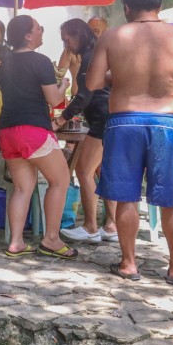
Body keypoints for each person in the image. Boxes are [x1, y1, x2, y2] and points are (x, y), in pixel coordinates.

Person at [85, 0, 173, 284]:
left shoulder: (113, 36)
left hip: (125, 121)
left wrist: (121, 73)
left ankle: (128, 264)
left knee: (126, 197)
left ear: (126, 7)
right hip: (168, 122)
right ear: (159, 5)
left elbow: (94, 83)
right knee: (172, 200)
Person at [0, 15, 75, 260]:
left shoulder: (4, 62)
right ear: (27, 35)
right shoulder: (40, 61)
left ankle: (16, 243)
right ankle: (51, 239)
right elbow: (54, 100)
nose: (42, 31)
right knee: (60, 181)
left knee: (22, 188)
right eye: (38, 28)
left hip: (7, 130)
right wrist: (64, 85)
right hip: (33, 130)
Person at [52, 19, 118, 244]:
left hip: (102, 120)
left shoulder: (90, 58)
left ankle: (90, 227)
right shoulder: (98, 53)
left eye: (67, 38)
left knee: (83, 170)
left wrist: (61, 119)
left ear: (79, 35)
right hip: (109, 119)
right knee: (104, 171)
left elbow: (85, 94)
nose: (66, 43)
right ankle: (110, 226)